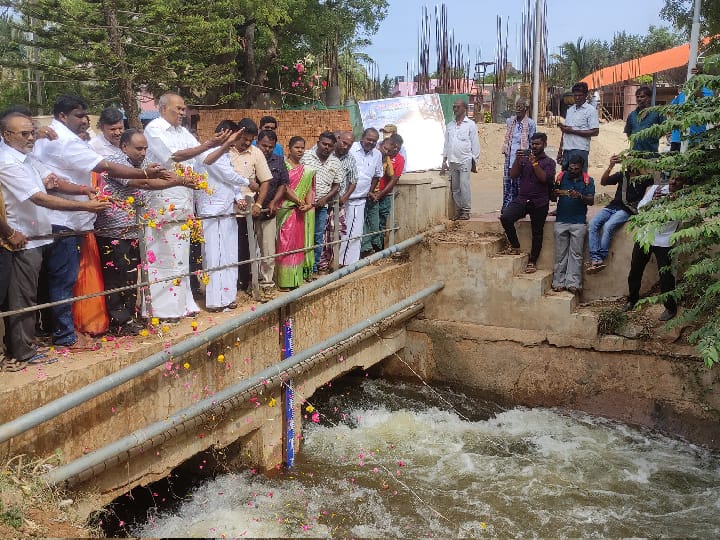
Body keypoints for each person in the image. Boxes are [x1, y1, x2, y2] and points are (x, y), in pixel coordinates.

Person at [32, 95, 166, 348]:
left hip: (68, 218)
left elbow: (58, 179)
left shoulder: (51, 137)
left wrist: (82, 190)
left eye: (85, 115)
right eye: (79, 116)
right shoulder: (63, 141)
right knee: (64, 280)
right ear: (62, 116)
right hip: (65, 220)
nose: (85, 121)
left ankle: (56, 330)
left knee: (57, 280)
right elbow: (106, 167)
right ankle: (65, 336)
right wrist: (146, 172)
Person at [0, 112, 110, 367]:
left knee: (30, 295)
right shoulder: (8, 162)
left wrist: (82, 190)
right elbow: (38, 197)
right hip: (21, 238)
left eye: (31, 132)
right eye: (24, 133)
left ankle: (25, 345)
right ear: (6, 136)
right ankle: (22, 352)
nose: (31, 137)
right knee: (22, 297)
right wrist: (85, 207)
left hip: (38, 235)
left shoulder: (26, 158)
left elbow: (53, 182)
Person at [96, 129, 194, 334]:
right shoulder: (115, 161)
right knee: (118, 278)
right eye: (139, 148)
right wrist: (180, 181)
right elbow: (143, 182)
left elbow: (157, 175)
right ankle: (119, 322)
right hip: (115, 231)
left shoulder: (143, 161)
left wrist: (177, 177)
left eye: (145, 148)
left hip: (135, 231)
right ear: (124, 147)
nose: (143, 152)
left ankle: (130, 316)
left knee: (132, 276)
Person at [143, 92, 228, 321]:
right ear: (162, 108)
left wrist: (224, 145)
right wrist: (209, 143)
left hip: (184, 202)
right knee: (164, 256)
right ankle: (163, 309)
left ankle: (182, 304)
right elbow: (173, 157)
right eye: (178, 109)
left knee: (181, 255)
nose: (182, 113)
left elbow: (205, 159)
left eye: (183, 109)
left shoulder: (183, 132)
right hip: (164, 201)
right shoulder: (154, 129)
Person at [196, 121, 251, 311]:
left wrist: (238, 196)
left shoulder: (226, 153)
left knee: (229, 255)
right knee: (214, 256)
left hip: (226, 211)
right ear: (225, 134)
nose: (237, 141)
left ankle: (227, 297)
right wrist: (248, 182)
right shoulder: (209, 152)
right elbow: (227, 174)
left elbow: (229, 181)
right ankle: (215, 301)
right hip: (212, 212)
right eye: (235, 136)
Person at [624, 176, 686, 321]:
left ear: (684, 182)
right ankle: (632, 299)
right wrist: (653, 202)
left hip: (665, 241)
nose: (673, 182)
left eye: (678, 180)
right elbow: (640, 209)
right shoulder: (655, 189)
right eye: (671, 179)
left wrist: (673, 202)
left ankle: (670, 307)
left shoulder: (685, 198)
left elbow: (682, 218)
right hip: (645, 237)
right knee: (635, 270)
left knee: (666, 276)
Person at [499, 132, 556, 274]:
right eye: (533, 144)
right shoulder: (523, 159)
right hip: (523, 199)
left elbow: (543, 178)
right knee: (506, 217)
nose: (534, 146)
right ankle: (515, 245)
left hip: (540, 201)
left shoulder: (549, 162)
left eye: (538, 144)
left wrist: (534, 162)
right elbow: (512, 175)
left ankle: (532, 261)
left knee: (537, 232)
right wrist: (517, 160)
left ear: (544, 145)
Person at [586, 155, 654, 273]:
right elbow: (603, 182)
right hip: (612, 206)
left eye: (632, 162)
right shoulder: (622, 175)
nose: (629, 164)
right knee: (593, 224)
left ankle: (599, 258)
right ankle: (596, 258)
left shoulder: (644, 178)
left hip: (627, 210)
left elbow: (656, 181)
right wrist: (610, 166)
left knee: (608, 226)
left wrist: (640, 167)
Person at [227, 118, 273, 290]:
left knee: (245, 248)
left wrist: (258, 204)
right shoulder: (225, 150)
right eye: (244, 138)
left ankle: (243, 282)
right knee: (226, 248)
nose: (247, 143)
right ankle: (227, 283)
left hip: (246, 211)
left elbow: (266, 181)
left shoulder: (256, 153)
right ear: (237, 133)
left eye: (250, 140)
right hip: (224, 209)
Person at [551, 154, 595, 294]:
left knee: (576, 254)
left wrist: (580, 196)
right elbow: (552, 196)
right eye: (570, 168)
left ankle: (573, 283)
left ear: (581, 168)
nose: (572, 170)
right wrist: (555, 193)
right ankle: (558, 282)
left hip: (578, 222)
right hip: (561, 220)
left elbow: (591, 200)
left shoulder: (588, 181)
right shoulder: (561, 177)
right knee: (560, 254)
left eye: (575, 169)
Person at [276, 136, 315, 288]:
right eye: (296, 147)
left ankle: (296, 279)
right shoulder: (283, 166)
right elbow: (284, 187)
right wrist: (299, 202)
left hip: (300, 212)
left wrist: (308, 204)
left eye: (302, 148)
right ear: (289, 148)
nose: (300, 150)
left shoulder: (306, 170)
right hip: (286, 210)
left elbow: (309, 189)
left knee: (297, 244)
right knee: (284, 244)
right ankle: (284, 280)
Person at [301, 131, 341, 273]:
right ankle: (301, 268)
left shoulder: (336, 162)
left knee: (318, 237)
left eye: (330, 145)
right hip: (303, 206)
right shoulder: (305, 156)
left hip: (321, 206)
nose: (327, 147)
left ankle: (313, 267)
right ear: (318, 143)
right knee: (303, 236)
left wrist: (325, 199)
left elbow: (337, 185)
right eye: (324, 144)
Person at [254, 129, 289, 291]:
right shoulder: (250, 158)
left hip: (269, 212)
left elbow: (283, 184)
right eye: (264, 146)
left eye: (270, 146)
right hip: (250, 212)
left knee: (268, 250)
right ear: (257, 142)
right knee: (251, 249)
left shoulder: (279, 160)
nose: (267, 149)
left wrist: (274, 202)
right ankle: (252, 281)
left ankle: (267, 283)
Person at [318, 130, 357, 270]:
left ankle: (332, 263)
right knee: (320, 233)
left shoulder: (350, 159)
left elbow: (353, 181)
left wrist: (344, 197)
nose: (346, 147)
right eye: (344, 143)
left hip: (337, 203)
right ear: (338, 139)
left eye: (349, 145)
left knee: (336, 232)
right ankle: (319, 265)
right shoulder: (322, 153)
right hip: (319, 202)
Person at [344, 128, 382, 265]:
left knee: (356, 233)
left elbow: (377, 175)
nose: (371, 142)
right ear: (362, 138)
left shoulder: (377, 154)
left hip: (361, 199)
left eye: (374, 141)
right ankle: (339, 262)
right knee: (343, 231)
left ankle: (351, 263)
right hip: (345, 199)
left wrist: (369, 191)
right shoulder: (351, 148)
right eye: (369, 139)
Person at [362, 134, 404, 254]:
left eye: (397, 148)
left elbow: (393, 178)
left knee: (379, 222)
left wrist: (380, 194)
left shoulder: (397, 159)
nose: (393, 150)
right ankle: (367, 248)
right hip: (369, 194)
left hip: (383, 195)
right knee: (366, 221)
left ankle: (377, 249)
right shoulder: (374, 155)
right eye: (392, 147)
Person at [441, 99, 480, 220]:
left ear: (464, 108)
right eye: (454, 107)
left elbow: (475, 144)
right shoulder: (450, 125)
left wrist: (474, 160)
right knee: (455, 188)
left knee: (464, 185)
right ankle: (459, 210)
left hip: (465, 159)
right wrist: (444, 160)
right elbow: (447, 143)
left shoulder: (470, 125)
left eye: (458, 107)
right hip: (453, 160)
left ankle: (466, 210)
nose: (455, 109)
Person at [501, 100, 536, 211]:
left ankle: (518, 209)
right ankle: (507, 208)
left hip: (523, 158)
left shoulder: (530, 124)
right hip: (510, 157)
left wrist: (527, 155)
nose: (518, 109)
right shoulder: (510, 122)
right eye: (516, 106)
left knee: (520, 185)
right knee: (508, 184)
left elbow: (532, 142)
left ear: (526, 108)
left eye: (521, 106)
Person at [557, 82, 599, 172]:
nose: (577, 98)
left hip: (580, 150)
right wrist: (560, 151)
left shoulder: (590, 110)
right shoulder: (570, 110)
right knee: (565, 179)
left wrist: (573, 131)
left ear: (586, 95)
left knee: (579, 180)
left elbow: (595, 132)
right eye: (575, 95)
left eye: (580, 95)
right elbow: (565, 131)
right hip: (567, 150)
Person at [668, 87, 713, 151]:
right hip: (681, 139)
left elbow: (670, 111)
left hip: (694, 139)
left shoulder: (707, 92)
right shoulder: (684, 92)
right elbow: (670, 111)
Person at [624, 85, 665, 154]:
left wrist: (652, 138)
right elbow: (628, 132)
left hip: (651, 155)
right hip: (634, 155)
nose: (639, 99)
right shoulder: (632, 115)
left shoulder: (657, 113)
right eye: (637, 97)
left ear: (649, 98)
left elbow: (665, 129)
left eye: (642, 96)